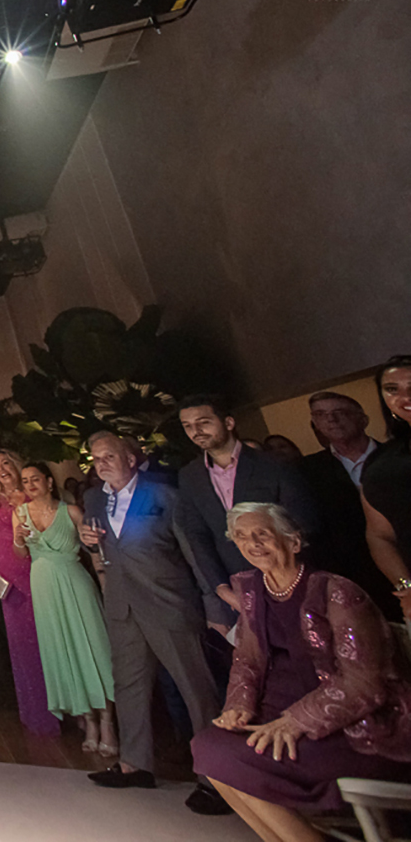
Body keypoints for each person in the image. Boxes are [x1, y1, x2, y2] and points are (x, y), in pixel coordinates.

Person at [192, 502, 411, 839]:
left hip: (352, 731)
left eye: (262, 534)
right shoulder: (252, 592)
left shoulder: (336, 592)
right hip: (276, 718)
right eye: (241, 537)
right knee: (207, 746)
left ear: (293, 542)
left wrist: (297, 721)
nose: (252, 543)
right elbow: (247, 660)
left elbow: (365, 682)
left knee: (227, 758)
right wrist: (238, 707)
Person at [79, 431, 227, 814]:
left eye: (109, 456)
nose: (102, 464)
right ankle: (135, 763)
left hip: (169, 604)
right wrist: (88, 540)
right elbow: (107, 547)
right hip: (123, 606)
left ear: (130, 458)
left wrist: (214, 606)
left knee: (197, 689)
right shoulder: (94, 497)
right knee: (128, 685)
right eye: (96, 459)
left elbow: (195, 554)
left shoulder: (165, 495)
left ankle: (217, 777)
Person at [177, 394, 321, 625]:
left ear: (229, 422)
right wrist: (221, 588)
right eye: (188, 426)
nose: (196, 431)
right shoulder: (189, 476)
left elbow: (302, 523)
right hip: (235, 585)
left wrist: (292, 577)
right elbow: (197, 534)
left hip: (289, 578)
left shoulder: (272, 465)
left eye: (204, 422)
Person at [15, 461, 117, 756]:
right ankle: (88, 720)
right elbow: (20, 553)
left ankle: (108, 721)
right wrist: (17, 540)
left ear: (48, 482)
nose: (30, 485)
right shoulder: (19, 514)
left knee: (94, 648)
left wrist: (104, 581)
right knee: (64, 652)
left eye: (35, 479)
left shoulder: (70, 511)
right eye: (25, 481)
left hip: (74, 582)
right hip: (44, 587)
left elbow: (93, 548)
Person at [0, 449, 60, 737]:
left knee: (49, 638)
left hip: (40, 568)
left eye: (6, 463)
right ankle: (35, 712)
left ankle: (63, 709)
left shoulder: (32, 491)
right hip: (9, 575)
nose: (1, 469)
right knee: (21, 643)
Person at [297, 392, 396, 617]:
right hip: (352, 580)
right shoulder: (306, 470)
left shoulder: (397, 457)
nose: (331, 420)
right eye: (321, 415)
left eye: (339, 412)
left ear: (363, 420)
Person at [362, 355, 411, 622]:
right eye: (392, 389)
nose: (405, 396)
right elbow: (379, 536)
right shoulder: (381, 462)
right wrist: (407, 586)